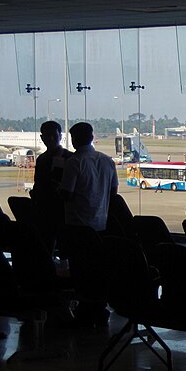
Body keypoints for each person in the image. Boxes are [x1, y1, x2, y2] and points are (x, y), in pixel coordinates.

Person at [58, 122, 118, 325]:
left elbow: (66, 194)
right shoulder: (108, 161)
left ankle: (84, 309)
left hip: (77, 224)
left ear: (74, 139)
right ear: (92, 138)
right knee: (97, 268)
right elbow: (113, 193)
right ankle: (99, 307)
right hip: (101, 224)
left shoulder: (74, 162)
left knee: (80, 270)